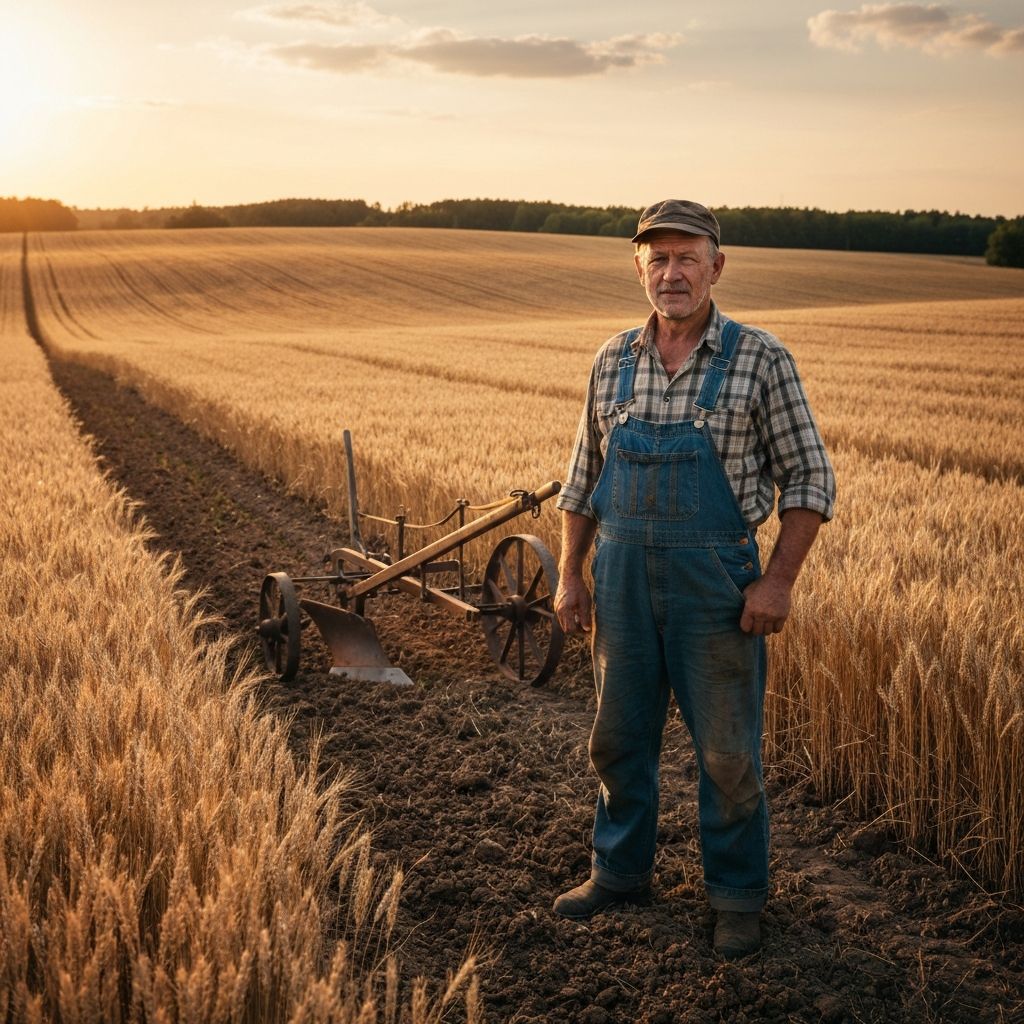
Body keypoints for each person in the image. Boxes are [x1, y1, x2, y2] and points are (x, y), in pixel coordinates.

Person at [551, 199, 835, 959]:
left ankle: (737, 897)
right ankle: (617, 873)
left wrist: (776, 584)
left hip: (717, 584)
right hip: (618, 578)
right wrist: (570, 576)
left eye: (686, 257)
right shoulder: (612, 359)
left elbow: (810, 481)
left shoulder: (759, 357)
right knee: (618, 738)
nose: (671, 272)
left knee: (727, 754)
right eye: (658, 258)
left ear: (717, 264)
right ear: (638, 267)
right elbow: (582, 480)